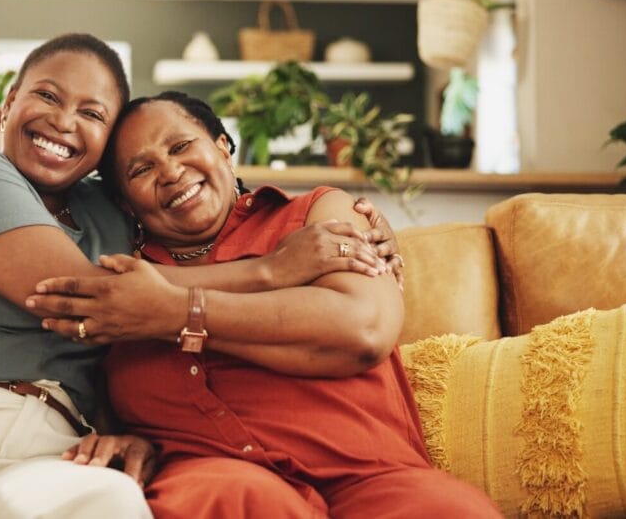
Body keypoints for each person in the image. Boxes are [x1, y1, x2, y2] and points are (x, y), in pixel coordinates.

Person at [0, 33, 400, 518]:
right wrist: (271, 270)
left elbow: (202, 231)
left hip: (50, 447)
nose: (65, 122)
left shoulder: (120, 213)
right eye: (47, 95)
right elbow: (91, 302)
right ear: (10, 102)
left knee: (109, 503)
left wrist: (366, 225)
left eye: (93, 114)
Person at [26, 92, 502, 518]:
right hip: (214, 479)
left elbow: (363, 330)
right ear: (126, 203)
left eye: (180, 146)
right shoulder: (121, 282)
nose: (170, 173)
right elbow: (93, 382)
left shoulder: (317, 216)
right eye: (141, 169)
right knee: (230, 498)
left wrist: (177, 312)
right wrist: (122, 436)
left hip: (370, 474)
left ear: (223, 147)